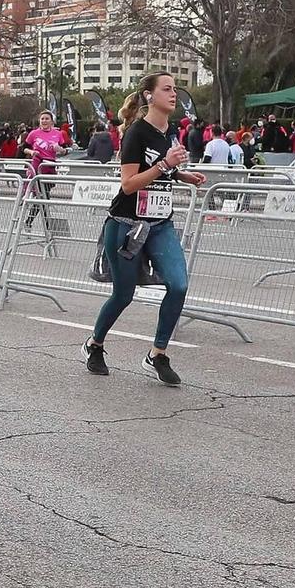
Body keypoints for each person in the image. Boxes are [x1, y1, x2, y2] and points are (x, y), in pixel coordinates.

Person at [82, 72, 205, 387]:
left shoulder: (170, 131)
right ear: (150, 96)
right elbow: (129, 183)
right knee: (123, 295)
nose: (173, 94)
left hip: (160, 223)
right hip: (127, 224)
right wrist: (165, 165)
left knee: (178, 285)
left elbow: (163, 166)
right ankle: (94, 344)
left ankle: (157, 354)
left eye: (175, 89)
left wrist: (182, 175)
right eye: (167, 89)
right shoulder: (136, 132)